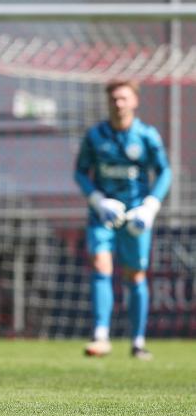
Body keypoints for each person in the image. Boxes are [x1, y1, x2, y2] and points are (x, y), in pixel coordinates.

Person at [74, 79, 171, 360]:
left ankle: (138, 341)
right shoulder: (95, 136)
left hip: (136, 216)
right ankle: (101, 335)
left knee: (135, 275)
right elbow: (80, 172)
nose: (118, 104)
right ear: (108, 102)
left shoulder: (146, 136)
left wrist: (150, 206)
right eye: (114, 99)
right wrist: (98, 201)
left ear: (135, 101)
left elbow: (164, 172)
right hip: (103, 214)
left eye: (124, 98)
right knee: (100, 263)